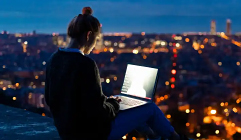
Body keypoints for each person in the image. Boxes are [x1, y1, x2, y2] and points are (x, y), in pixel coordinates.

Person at [44, 7, 181, 140]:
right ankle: (176, 138)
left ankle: (153, 135)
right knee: (148, 107)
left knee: (130, 108)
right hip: (91, 133)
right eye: (96, 39)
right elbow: (98, 113)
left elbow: (50, 100)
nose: (95, 43)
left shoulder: (53, 59)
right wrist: (114, 105)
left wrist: (108, 102)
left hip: (66, 132)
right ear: (88, 35)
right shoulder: (85, 64)